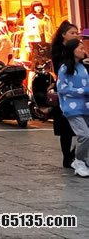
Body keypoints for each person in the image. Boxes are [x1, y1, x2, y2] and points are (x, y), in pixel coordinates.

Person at [54, 22, 89, 177]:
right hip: (72, 108)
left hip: (85, 107)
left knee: (86, 135)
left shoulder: (82, 68)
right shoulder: (64, 68)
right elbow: (62, 88)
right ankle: (78, 161)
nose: (83, 51)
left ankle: (82, 160)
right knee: (84, 135)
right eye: (80, 48)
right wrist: (82, 91)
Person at [51, 22, 78, 169]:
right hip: (65, 91)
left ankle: (74, 155)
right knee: (65, 128)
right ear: (63, 35)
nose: (75, 35)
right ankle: (67, 157)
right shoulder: (58, 51)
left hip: (79, 89)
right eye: (72, 33)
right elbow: (61, 69)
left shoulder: (78, 48)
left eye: (76, 33)